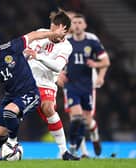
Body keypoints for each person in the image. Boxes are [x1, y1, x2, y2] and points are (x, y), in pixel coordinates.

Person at [0, 11, 80, 161]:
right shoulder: (43, 34)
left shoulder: (66, 47)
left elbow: (57, 65)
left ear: (63, 30)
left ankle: (63, 151)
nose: (50, 32)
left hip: (42, 84)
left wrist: (37, 56)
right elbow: (32, 38)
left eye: (54, 30)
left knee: (47, 107)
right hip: (21, 83)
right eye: (50, 29)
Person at [57, 13, 110, 157]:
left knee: (87, 121)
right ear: (71, 26)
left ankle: (95, 136)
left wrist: (99, 73)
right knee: (77, 118)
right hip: (71, 85)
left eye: (80, 22)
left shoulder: (92, 40)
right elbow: (56, 59)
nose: (77, 25)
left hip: (88, 86)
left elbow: (105, 61)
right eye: (74, 22)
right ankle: (77, 150)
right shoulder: (65, 41)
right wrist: (59, 73)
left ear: (85, 25)